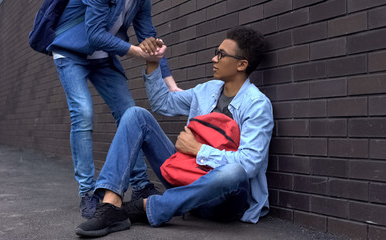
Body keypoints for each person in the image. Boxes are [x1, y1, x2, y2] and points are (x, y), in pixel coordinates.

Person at [75, 26, 274, 238]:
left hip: (222, 201)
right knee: (135, 115)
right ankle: (111, 205)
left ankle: (146, 207)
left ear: (242, 64)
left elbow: (250, 164)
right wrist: (153, 63)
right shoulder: (208, 90)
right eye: (216, 52)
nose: (214, 59)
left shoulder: (257, 105)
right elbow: (163, 103)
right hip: (186, 176)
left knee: (234, 172)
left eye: (221, 54)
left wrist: (198, 149)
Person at [47, 0, 181, 219]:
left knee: (129, 111)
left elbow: (148, 34)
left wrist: (171, 84)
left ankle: (140, 186)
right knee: (83, 113)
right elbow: (95, 34)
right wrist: (138, 52)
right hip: (70, 52)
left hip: (103, 58)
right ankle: (88, 193)